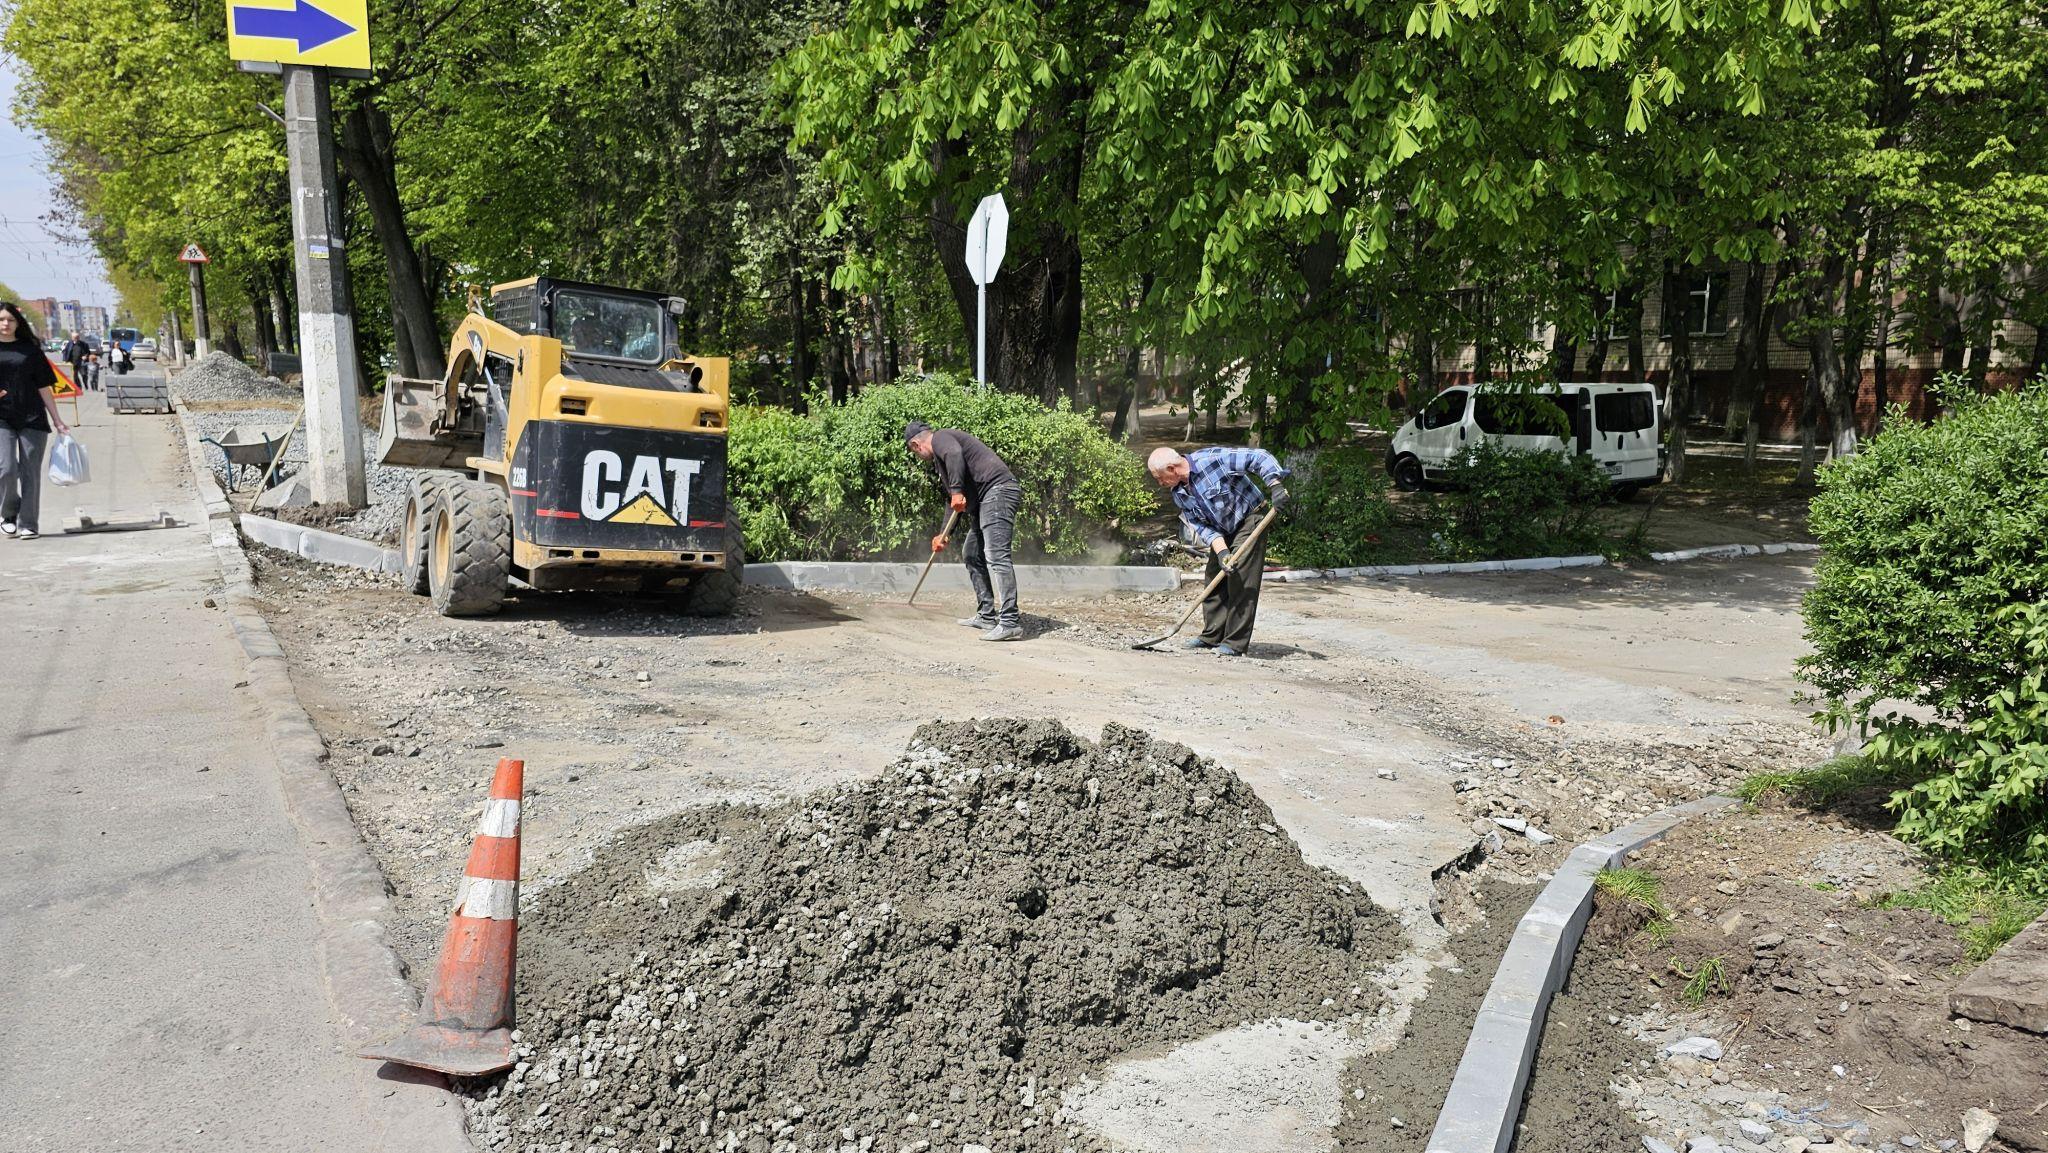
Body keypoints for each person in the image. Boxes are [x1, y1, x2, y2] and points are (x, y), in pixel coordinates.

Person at [1147, 445, 1292, 656]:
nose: (1160, 484)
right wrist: (1222, 552)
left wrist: (1275, 486)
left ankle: (1234, 643)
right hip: (1223, 531)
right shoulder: (1179, 493)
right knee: (1215, 574)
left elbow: (1259, 457)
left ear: (1171, 468)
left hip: (1250, 519)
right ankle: (1211, 636)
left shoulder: (1212, 460)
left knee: (1241, 576)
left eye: (1159, 478)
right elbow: (1201, 526)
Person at [904, 420, 1024, 640]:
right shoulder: (943, 461)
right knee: (971, 554)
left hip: (998, 491)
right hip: (985, 499)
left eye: (914, 452)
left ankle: (1010, 622)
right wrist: (944, 534)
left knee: (996, 555)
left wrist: (958, 490)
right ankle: (986, 615)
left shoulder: (941, 439)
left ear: (915, 445)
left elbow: (955, 454)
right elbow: (955, 502)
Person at [0, 302, 73, 540]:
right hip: (2, 418)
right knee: (7, 469)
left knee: (30, 472)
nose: (5, 324)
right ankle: (9, 513)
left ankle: (28, 523)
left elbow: (44, 387)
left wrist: (58, 420)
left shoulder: (31, 350)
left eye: (10, 320)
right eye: (1, 319)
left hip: (32, 417)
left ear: (18, 323)